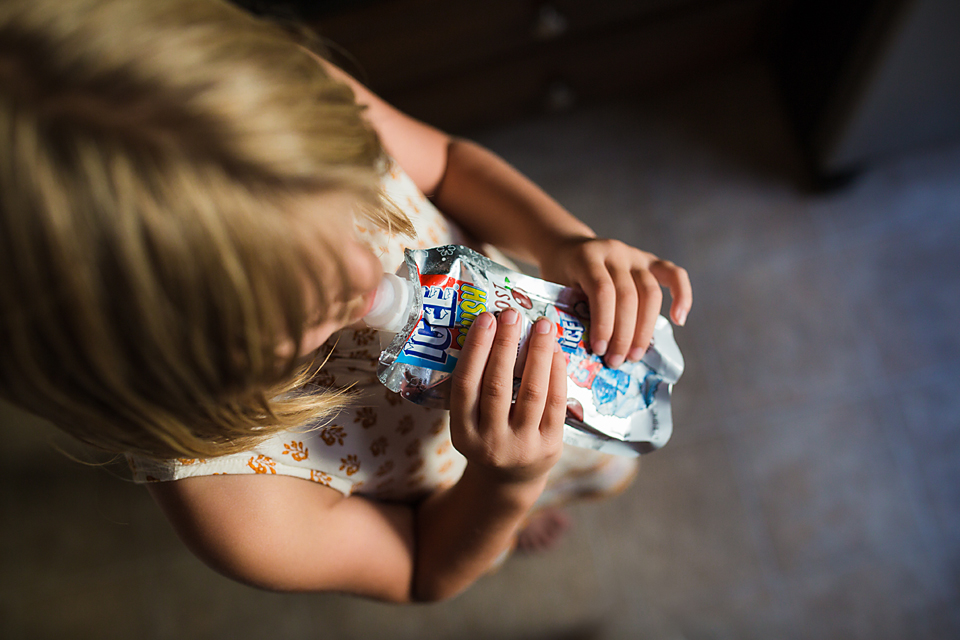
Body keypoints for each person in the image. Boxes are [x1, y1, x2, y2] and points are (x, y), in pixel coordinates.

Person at [0, 0, 692, 602]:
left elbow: (447, 164)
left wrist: (562, 240)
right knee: (507, 514)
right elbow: (422, 568)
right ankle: (525, 513)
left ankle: (551, 485)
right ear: (159, 364)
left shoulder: (276, 114)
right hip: (460, 485)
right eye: (304, 306)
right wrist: (505, 486)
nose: (368, 267)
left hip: (548, 425)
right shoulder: (239, 509)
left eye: (346, 211)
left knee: (582, 446)